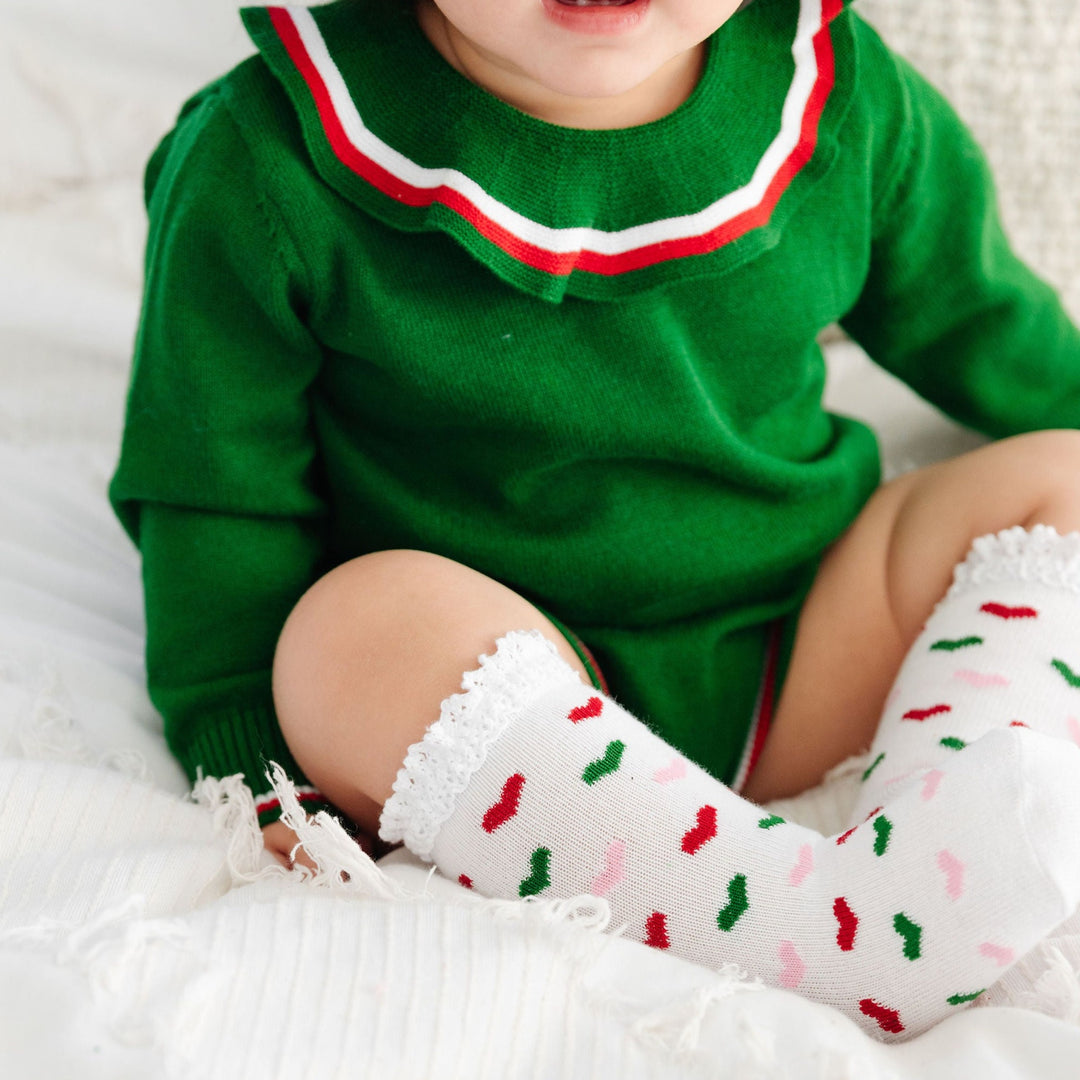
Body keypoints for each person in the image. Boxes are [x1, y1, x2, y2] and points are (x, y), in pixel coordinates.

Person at [110, 0, 1080, 1039]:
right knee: (344, 638)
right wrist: (248, 754)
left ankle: (943, 831)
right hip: (510, 691)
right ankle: (828, 929)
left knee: (1060, 479)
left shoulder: (836, 91)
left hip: (811, 641)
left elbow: (984, 321)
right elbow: (213, 488)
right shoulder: (267, 157)